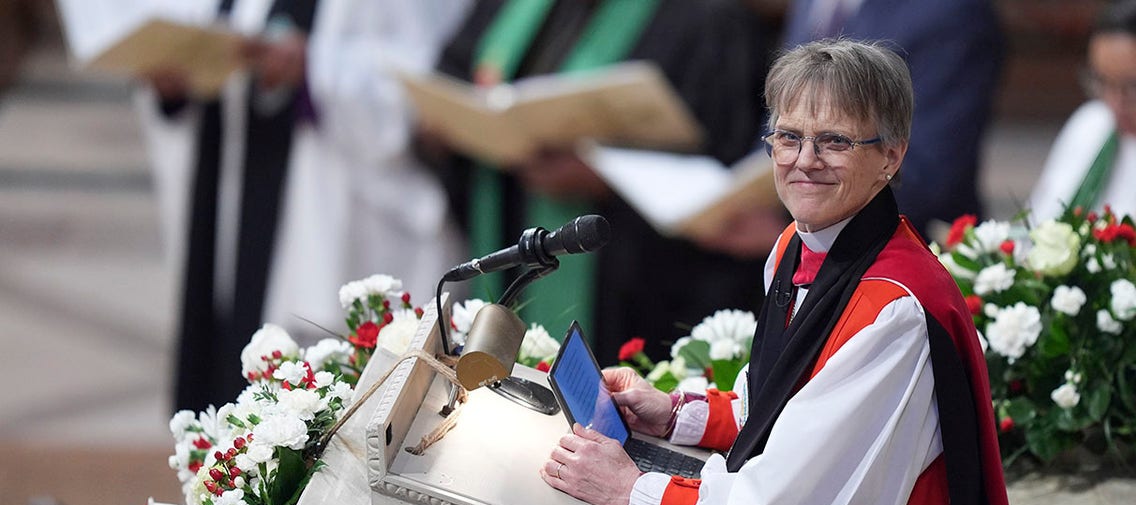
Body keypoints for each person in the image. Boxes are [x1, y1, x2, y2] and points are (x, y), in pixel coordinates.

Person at [542, 40, 1041, 505]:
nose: (804, 161)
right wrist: (673, 416)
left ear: (891, 156)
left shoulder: (894, 310)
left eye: (834, 141)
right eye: (788, 137)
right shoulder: (802, 247)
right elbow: (782, 404)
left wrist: (632, 489)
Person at [426, 0, 773, 363]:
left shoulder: (708, 17)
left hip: (623, 279)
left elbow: (722, 164)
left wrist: (604, 174)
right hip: (509, 216)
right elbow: (455, 70)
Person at [136, 0, 320, 412]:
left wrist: (304, 68)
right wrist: (173, 82)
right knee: (216, 326)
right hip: (219, 174)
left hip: (295, 184)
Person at [260, 0, 473, 345]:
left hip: (395, 209)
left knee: (397, 362)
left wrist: (315, 66)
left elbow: (433, 71)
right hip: (324, 186)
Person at [780, 0, 1005, 237]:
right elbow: (783, 110)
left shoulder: (949, 12)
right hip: (793, 233)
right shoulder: (812, 4)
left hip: (903, 241)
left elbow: (929, 170)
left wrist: (792, 222)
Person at [1027, 0, 1136, 225]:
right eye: (1102, 81)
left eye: (1134, 87)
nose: (1115, 103)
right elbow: (1036, 223)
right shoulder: (1092, 124)